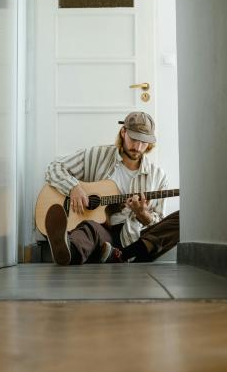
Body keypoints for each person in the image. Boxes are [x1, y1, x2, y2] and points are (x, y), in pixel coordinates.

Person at [43, 111, 179, 265]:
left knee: (182, 219)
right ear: (123, 132)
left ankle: (124, 255)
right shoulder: (98, 155)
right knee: (89, 228)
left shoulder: (158, 176)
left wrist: (143, 215)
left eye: (144, 141)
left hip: (138, 241)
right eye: (134, 139)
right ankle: (68, 251)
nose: (138, 147)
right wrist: (73, 187)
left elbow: (160, 222)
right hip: (104, 233)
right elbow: (55, 167)